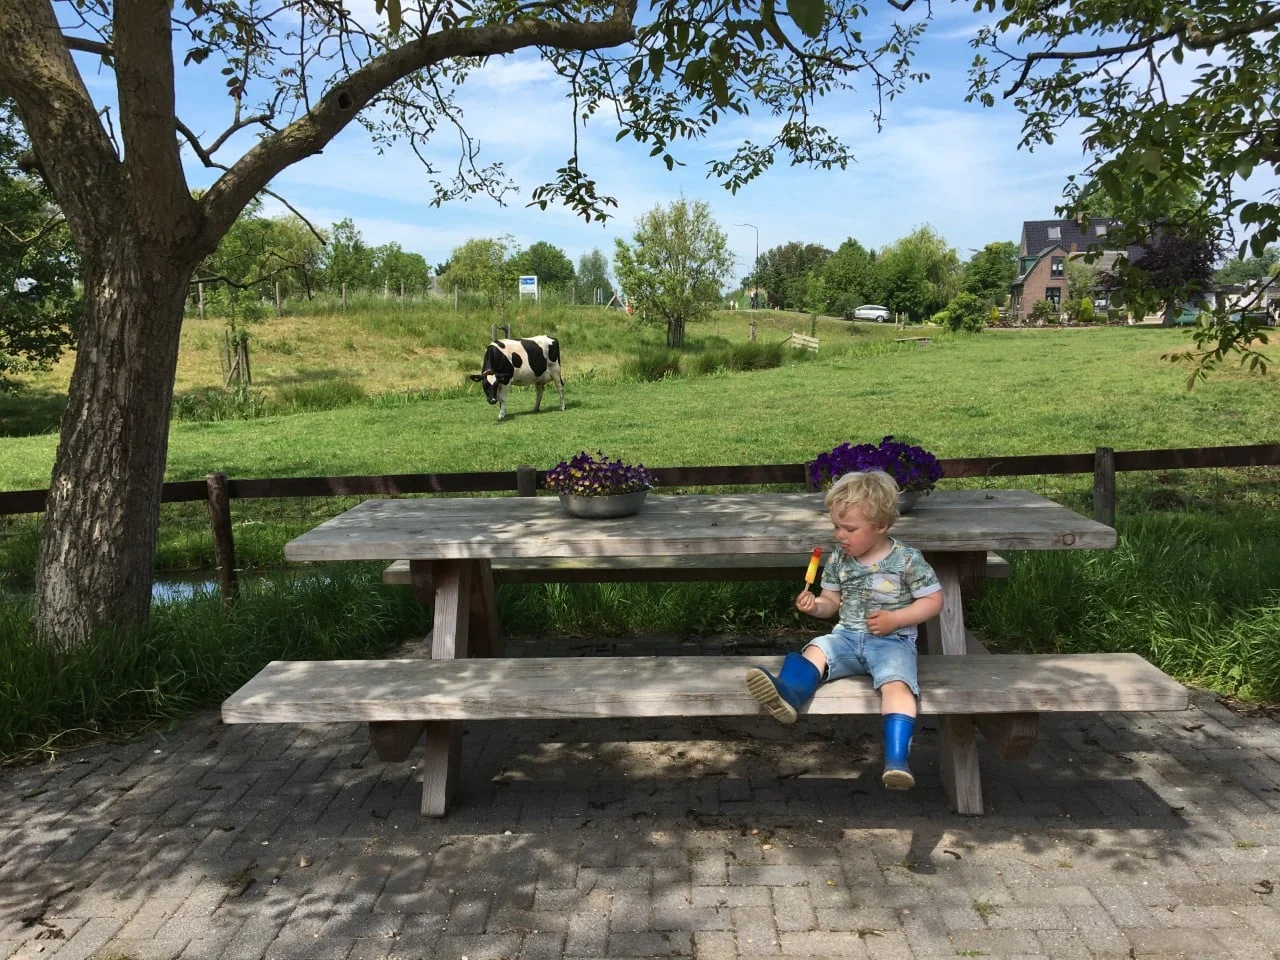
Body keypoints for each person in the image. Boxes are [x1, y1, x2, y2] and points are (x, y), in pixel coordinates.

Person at [745, 469, 944, 789]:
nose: (840, 535)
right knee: (816, 647)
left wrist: (897, 619)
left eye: (849, 528)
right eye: (836, 526)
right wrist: (815, 607)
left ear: (880, 526)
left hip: (892, 641)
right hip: (848, 637)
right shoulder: (840, 558)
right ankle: (790, 694)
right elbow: (831, 602)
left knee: (898, 687)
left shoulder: (906, 559)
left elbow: (934, 601)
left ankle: (896, 759)